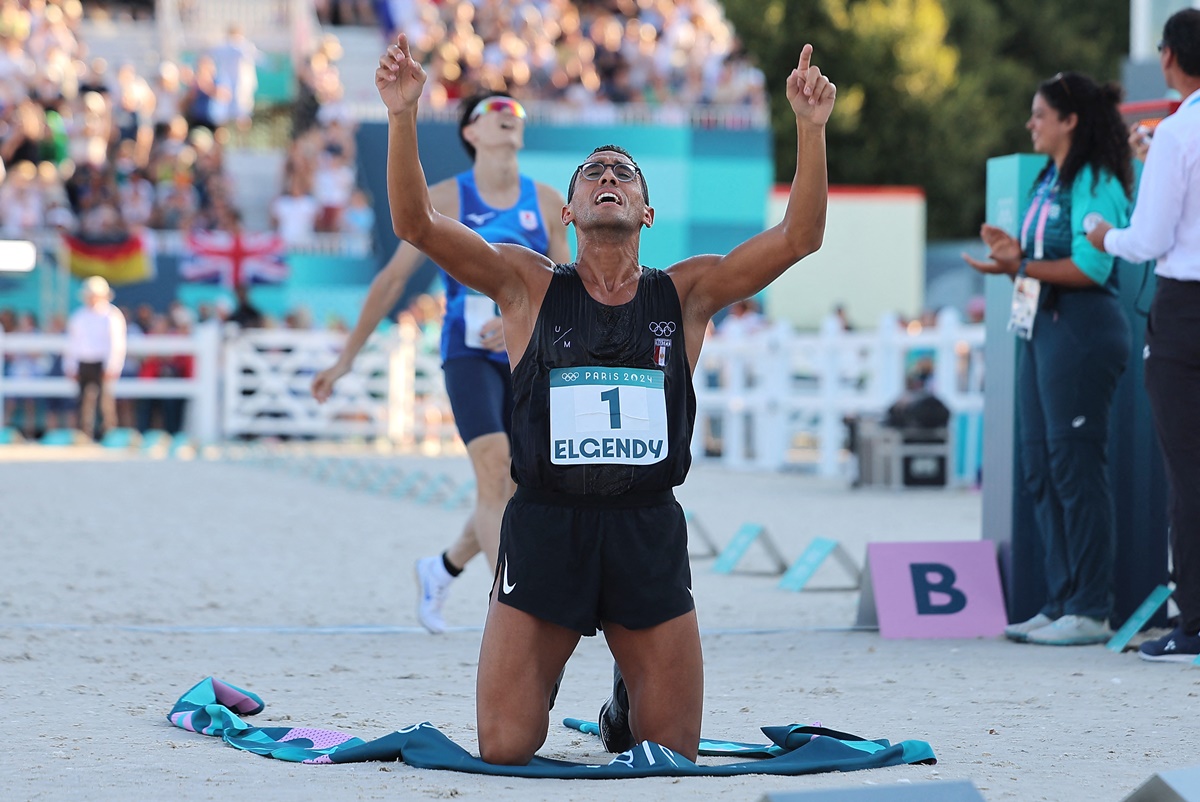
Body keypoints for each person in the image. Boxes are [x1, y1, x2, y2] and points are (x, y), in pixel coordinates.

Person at [373, 33, 834, 764]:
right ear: (570, 213)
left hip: (645, 530)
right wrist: (403, 116)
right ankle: (553, 664)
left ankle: (625, 696)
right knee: (505, 746)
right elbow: (417, 226)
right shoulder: (527, 284)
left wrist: (810, 130)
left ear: (647, 212)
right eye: (592, 173)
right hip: (547, 526)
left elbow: (800, 236)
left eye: (623, 172)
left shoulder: (687, 293)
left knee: (669, 752)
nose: (608, 176)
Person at [311, 89, 571, 634]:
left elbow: (564, 288)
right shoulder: (448, 199)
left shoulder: (547, 202)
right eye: (493, 113)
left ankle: (443, 567)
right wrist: (344, 360)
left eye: (516, 112)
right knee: (496, 469)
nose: (508, 118)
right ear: (470, 133)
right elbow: (394, 279)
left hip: (528, 356)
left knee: (523, 485)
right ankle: (513, 610)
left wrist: (523, 319)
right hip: (466, 351)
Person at [964, 70, 1135, 646]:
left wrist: (1018, 267)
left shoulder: (1096, 177)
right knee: (1040, 466)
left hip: (1082, 331)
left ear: (1070, 121)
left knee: (1075, 467)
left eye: (1040, 114)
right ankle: (1063, 600)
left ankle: (1091, 607)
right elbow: (1037, 259)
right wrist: (1013, 256)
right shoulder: (1047, 178)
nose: (1031, 123)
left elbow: (1093, 267)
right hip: (1043, 326)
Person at [1086, 9, 1200, 662]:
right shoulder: (1176, 135)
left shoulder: (1181, 131)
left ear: (1169, 58)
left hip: (1186, 312)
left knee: (1188, 476)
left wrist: (1105, 234)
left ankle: (1195, 624)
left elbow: (1150, 240)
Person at [64, 276, 128, 440]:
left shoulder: (111, 315)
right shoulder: (79, 316)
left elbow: (116, 343)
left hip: (102, 362)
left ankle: (107, 433)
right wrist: (70, 366)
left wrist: (113, 366)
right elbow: (72, 343)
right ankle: (84, 433)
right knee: (83, 400)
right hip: (84, 362)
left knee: (104, 401)